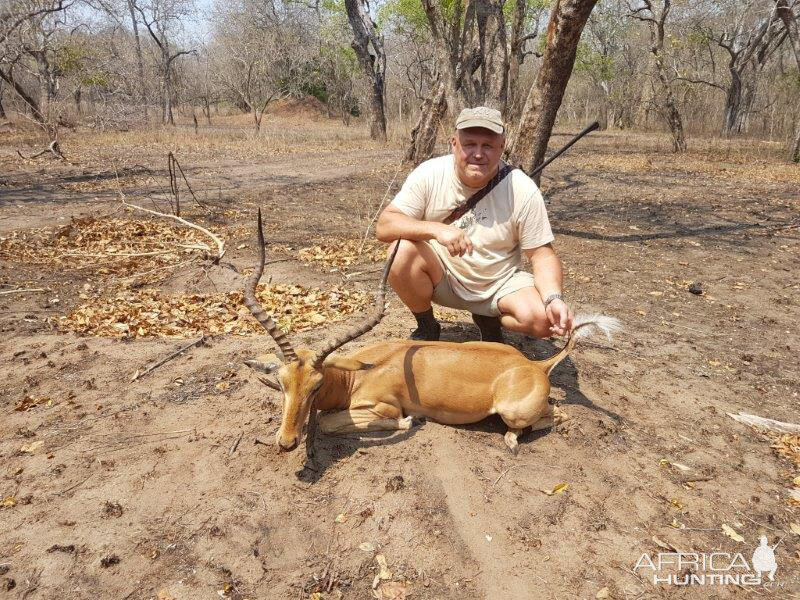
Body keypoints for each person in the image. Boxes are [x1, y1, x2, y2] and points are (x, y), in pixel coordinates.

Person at [376, 106, 573, 343]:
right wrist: (437, 229)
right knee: (399, 252)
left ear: (502, 147)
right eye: (470, 144)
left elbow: (542, 256)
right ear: (454, 143)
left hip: (499, 283)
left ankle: (489, 318)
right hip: (444, 278)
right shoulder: (429, 173)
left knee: (542, 320)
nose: (478, 154)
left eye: (488, 146)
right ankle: (426, 325)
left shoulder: (521, 188)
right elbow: (385, 225)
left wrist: (554, 298)